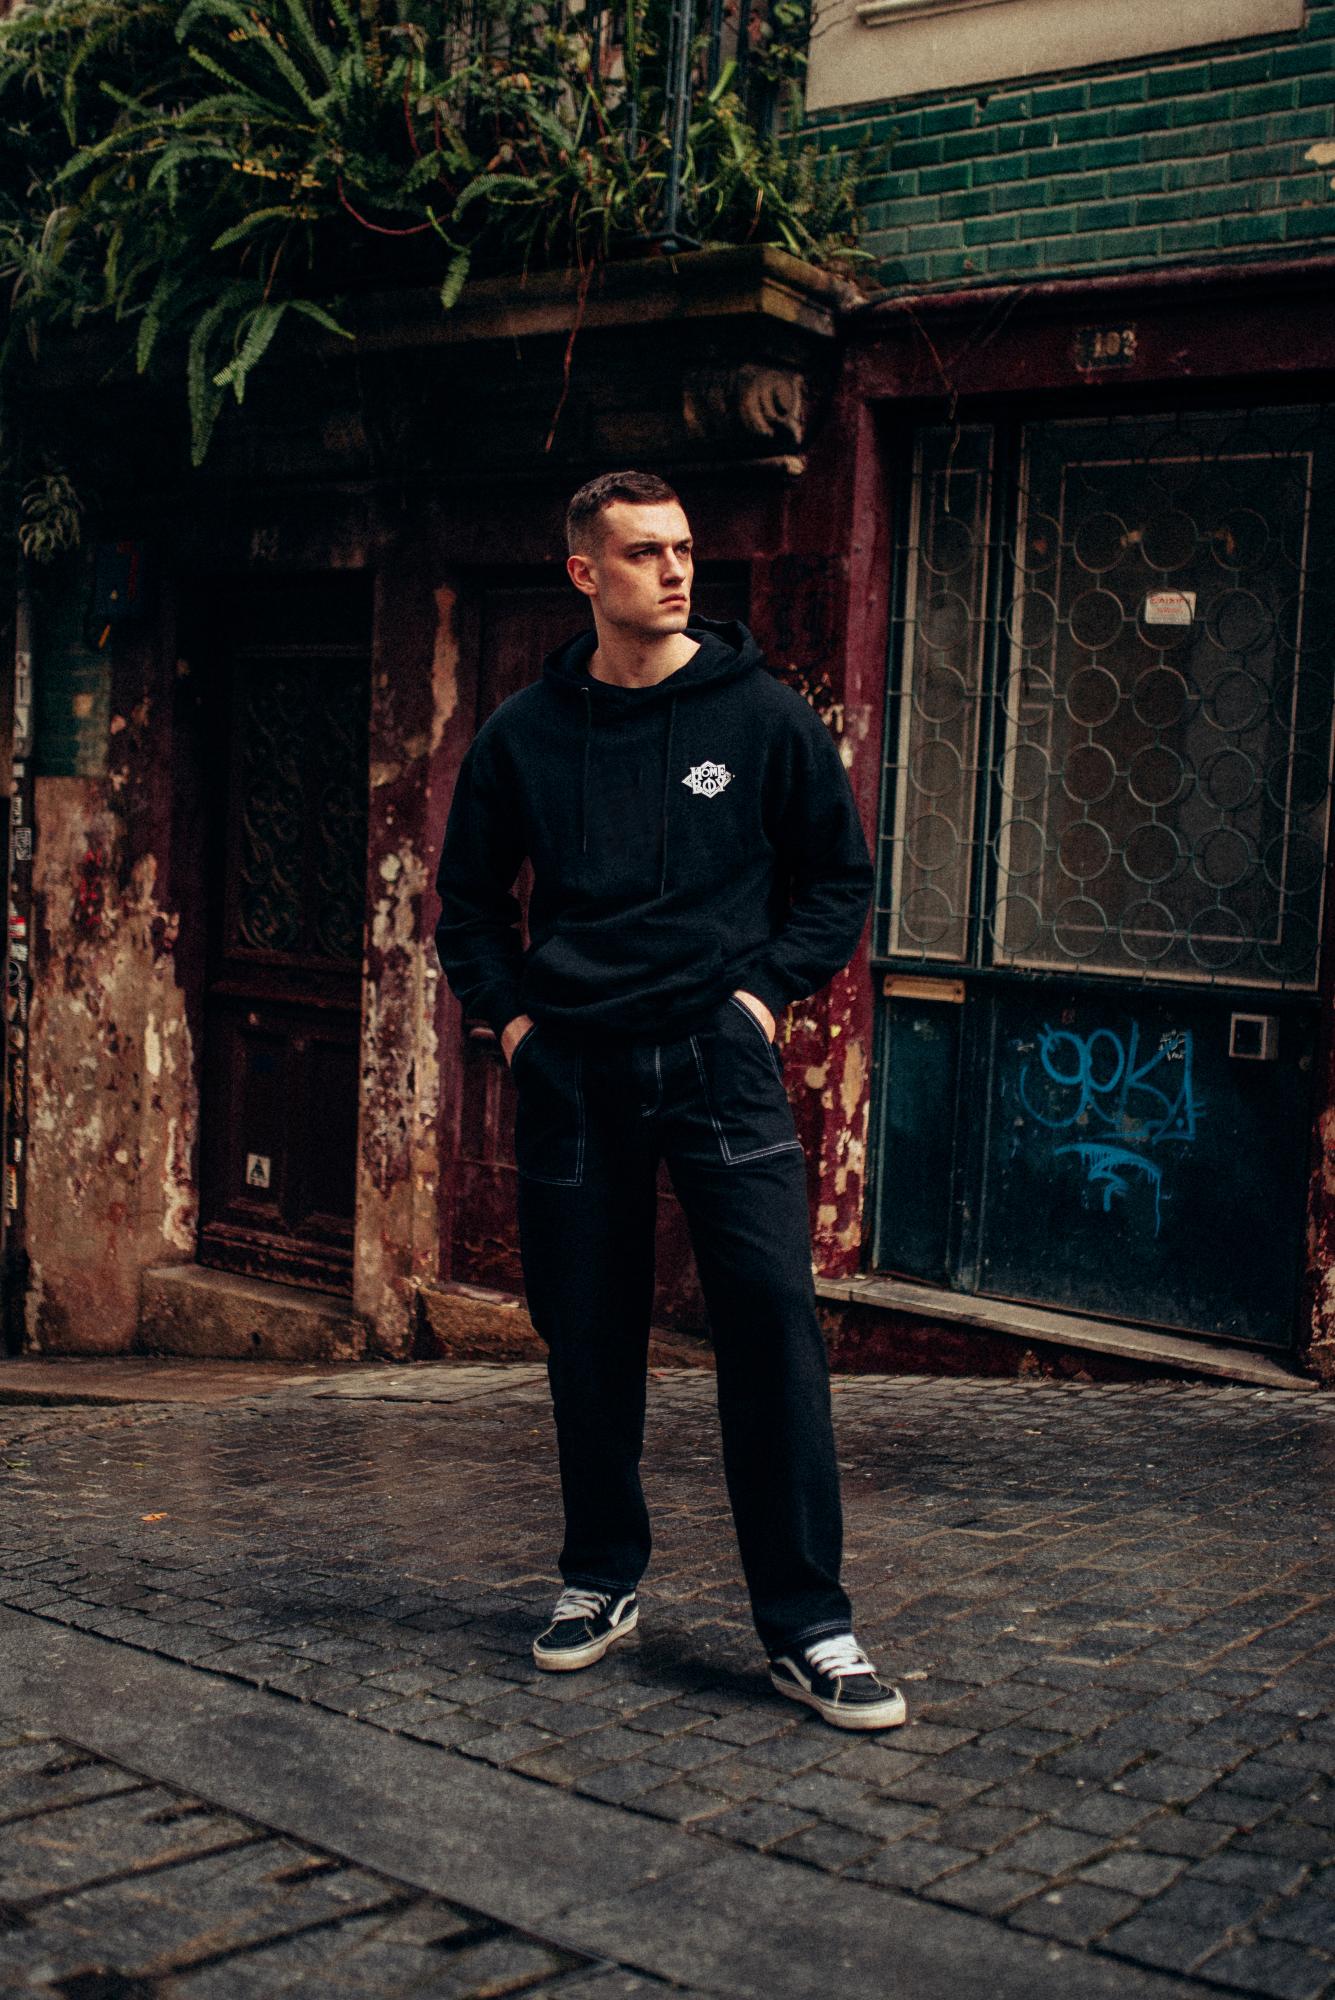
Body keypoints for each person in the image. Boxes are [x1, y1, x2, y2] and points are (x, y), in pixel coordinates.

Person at [434, 469, 905, 1731]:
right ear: (585, 572)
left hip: (718, 1063)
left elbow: (837, 878)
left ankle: (808, 1624)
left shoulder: (761, 715)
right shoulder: (524, 733)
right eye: (646, 551)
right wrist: (518, 1027)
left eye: (685, 547)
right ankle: (601, 1575)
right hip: (575, 1071)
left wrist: (758, 998)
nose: (677, 569)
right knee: (587, 1331)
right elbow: (467, 907)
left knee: (771, 1323)